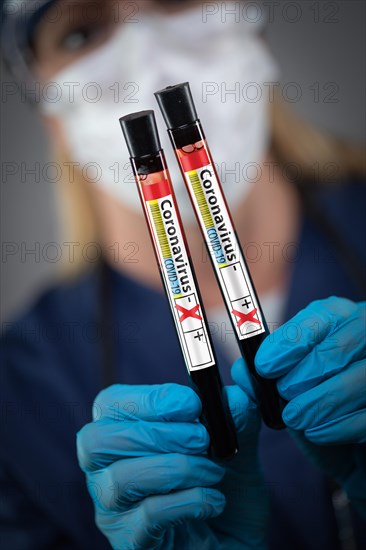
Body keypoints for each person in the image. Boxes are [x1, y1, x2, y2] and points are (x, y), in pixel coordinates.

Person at [1, 1, 365, 548]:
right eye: (79, 34)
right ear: (48, 109)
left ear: (250, 20)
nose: (151, 57)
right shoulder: (20, 394)